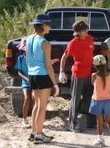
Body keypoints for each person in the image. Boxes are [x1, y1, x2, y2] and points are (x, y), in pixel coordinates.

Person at [26, 14, 59, 144]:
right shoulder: (45, 43)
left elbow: (30, 59)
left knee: (37, 105)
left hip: (32, 75)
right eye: (48, 24)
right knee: (42, 106)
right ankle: (39, 135)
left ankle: (34, 132)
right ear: (43, 25)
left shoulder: (28, 39)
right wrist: (55, 84)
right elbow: (48, 67)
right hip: (43, 75)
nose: (50, 27)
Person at [60, 20, 95, 132]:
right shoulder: (73, 43)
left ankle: (91, 122)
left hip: (89, 74)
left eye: (86, 30)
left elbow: (91, 53)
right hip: (78, 74)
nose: (86, 32)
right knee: (75, 99)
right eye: (84, 31)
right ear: (77, 32)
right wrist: (62, 71)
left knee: (89, 98)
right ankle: (72, 124)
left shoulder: (90, 38)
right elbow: (64, 57)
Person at [89, 55, 110, 147]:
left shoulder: (94, 76)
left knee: (99, 121)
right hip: (107, 101)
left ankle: (100, 140)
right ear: (105, 64)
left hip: (97, 101)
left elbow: (93, 85)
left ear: (94, 65)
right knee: (108, 120)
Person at [15, 36, 32, 128]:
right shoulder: (20, 58)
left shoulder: (34, 58)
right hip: (25, 82)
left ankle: (36, 119)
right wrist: (26, 78)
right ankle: (24, 119)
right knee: (27, 98)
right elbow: (19, 72)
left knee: (36, 100)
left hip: (35, 81)